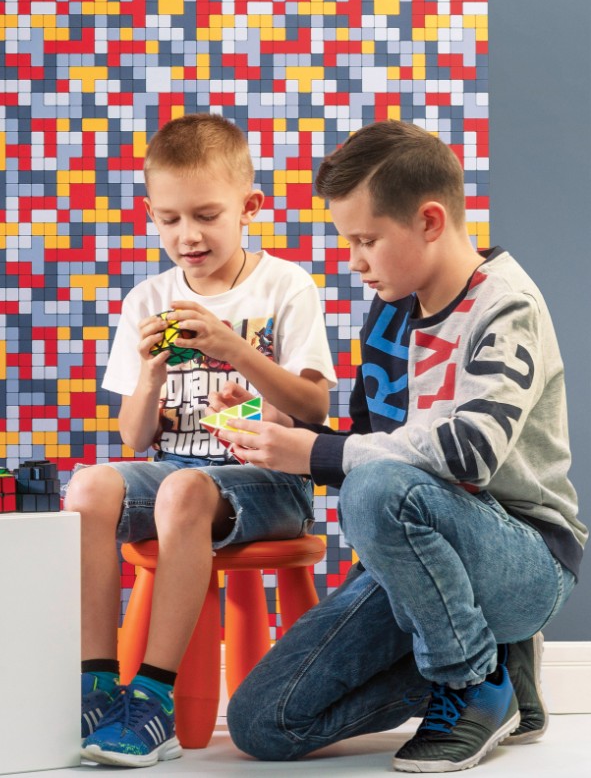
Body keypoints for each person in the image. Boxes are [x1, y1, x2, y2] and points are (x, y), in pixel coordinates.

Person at [217, 120, 586, 773]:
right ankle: (504, 670)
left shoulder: (506, 306)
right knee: (262, 724)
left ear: (430, 221)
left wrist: (317, 455)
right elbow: (373, 447)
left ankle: (473, 684)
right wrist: (274, 430)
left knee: (374, 486)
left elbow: (468, 454)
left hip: (524, 558)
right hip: (424, 561)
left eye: (366, 240)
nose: (353, 261)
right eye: (348, 242)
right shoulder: (389, 312)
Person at [65, 112, 337, 767]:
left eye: (207, 215)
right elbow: (135, 437)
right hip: (175, 473)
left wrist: (236, 351)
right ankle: (95, 687)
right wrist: (151, 374)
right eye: (169, 219)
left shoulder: (285, 287)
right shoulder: (148, 299)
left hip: (271, 480)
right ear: (150, 215)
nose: (187, 235)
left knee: (184, 490)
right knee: (89, 487)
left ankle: (153, 700)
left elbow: (313, 408)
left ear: (249, 207)